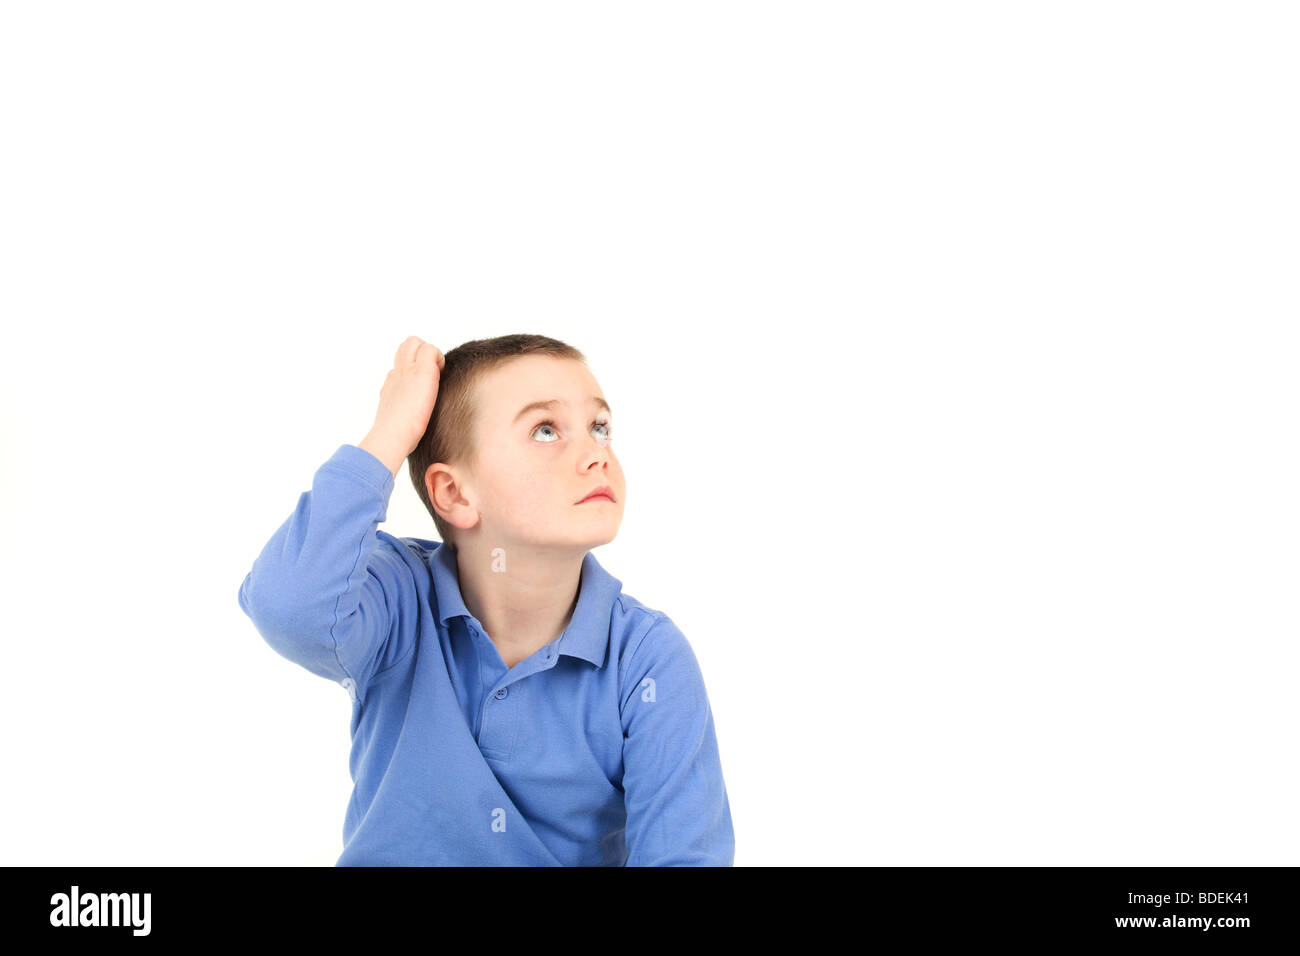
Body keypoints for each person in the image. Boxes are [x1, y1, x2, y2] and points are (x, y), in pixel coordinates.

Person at [237, 333, 735, 865]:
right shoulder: (395, 599)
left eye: (600, 427)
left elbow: (685, 856)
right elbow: (289, 606)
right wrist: (388, 434)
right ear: (453, 493)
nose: (597, 454)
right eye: (546, 430)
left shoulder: (647, 659)